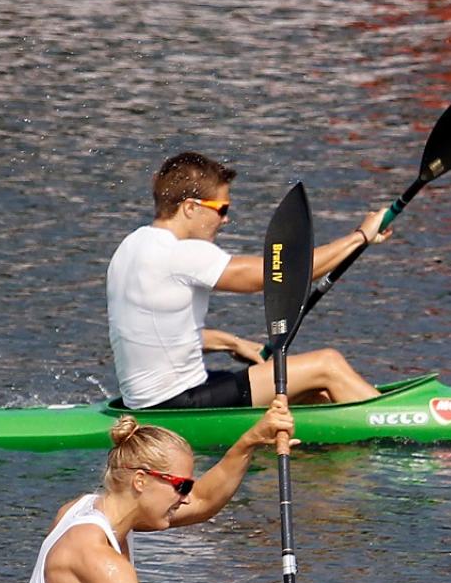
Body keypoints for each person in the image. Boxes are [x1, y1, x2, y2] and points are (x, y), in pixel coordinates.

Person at [16, 399, 311, 583]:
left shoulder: (85, 509)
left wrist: (251, 439)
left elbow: (204, 501)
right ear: (141, 481)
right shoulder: (94, 553)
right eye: (181, 486)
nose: (185, 498)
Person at [108, 151, 392, 410]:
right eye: (222, 209)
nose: (226, 220)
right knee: (327, 365)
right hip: (179, 402)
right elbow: (281, 276)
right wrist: (360, 237)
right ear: (190, 208)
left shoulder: (132, 246)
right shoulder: (181, 253)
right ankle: (402, 422)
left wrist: (232, 344)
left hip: (152, 399)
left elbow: (150, 334)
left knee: (315, 395)